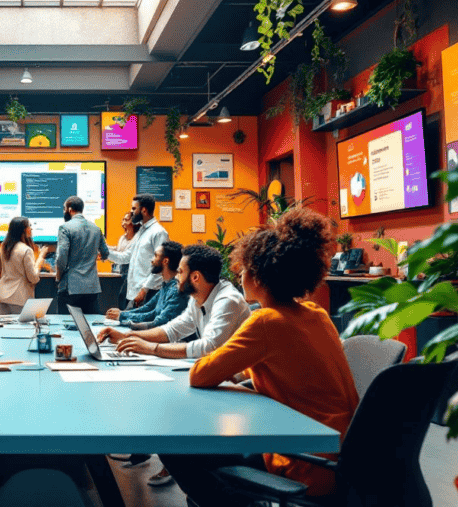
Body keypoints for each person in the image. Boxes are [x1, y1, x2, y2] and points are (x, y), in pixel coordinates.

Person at [158, 209, 359, 507]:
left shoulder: (265, 321)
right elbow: (294, 369)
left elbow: (200, 375)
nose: (240, 275)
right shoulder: (316, 314)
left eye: (244, 268)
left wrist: (234, 371)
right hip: (339, 456)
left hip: (304, 463)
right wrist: (246, 373)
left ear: (259, 275)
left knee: (172, 443)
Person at [98, 243, 251, 485]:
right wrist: (129, 338)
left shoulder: (227, 300)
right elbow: (173, 329)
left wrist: (151, 349)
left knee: (167, 425)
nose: (177, 277)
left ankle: (206, 486)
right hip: (218, 382)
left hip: (238, 391)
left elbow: (208, 348)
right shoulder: (199, 296)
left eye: (180, 272)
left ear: (195, 277)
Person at [102, 240, 186, 329]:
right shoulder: (166, 285)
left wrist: (122, 317)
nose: (152, 260)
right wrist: (122, 314)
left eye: (156, 256)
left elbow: (158, 321)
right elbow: (148, 308)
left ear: (165, 261)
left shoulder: (175, 290)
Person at [107, 194, 168, 307]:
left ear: (143, 210)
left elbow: (160, 266)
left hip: (148, 293)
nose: (131, 211)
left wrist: (145, 289)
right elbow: (126, 257)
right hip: (134, 292)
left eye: (134, 208)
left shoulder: (158, 232)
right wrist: (106, 252)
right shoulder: (141, 232)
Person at [56, 196, 110, 317]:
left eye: (64, 209)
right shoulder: (96, 228)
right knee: (89, 324)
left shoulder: (65, 228)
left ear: (69, 210)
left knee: (66, 324)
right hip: (92, 287)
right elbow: (105, 253)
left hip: (71, 286)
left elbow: (62, 257)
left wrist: (58, 277)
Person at [0, 216, 50, 315]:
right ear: (23, 230)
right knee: (22, 329)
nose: (31, 228)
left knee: (5, 329)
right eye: (29, 226)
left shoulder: (3, 247)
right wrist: (41, 258)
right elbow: (33, 278)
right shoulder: (26, 250)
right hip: (19, 298)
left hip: (1, 296)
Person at [112, 212, 139, 308]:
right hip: (120, 273)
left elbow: (125, 257)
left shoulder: (137, 239)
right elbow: (118, 249)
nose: (123, 222)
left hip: (131, 275)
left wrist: (106, 253)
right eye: (123, 219)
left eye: (126, 219)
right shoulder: (123, 237)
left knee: (124, 299)